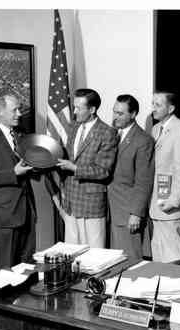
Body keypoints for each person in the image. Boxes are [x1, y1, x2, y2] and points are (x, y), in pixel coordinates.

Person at [0, 93, 36, 269]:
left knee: (26, 267)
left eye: (19, 109)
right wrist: (13, 173)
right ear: (0, 112)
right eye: (15, 110)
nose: (19, 114)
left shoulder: (21, 134)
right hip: (4, 216)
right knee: (4, 269)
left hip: (27, 212)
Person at [57, 88, 118, 248]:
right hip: (71, 202)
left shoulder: (107, 133)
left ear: (92, 109)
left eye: (78, 108)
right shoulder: (73, 127)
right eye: (74, 107)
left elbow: (103, 171)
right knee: (71, 252)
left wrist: (74, 168)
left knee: (94, 254)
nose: (74, 112)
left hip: (91, 205)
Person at [149, 91, 180, 262]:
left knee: (173, 257)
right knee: (158, 256)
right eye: (153, 104)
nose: (153, 108)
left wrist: (174, 200)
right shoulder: (155, 129)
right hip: (156, 202)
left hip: (170, 205)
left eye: (158, 105)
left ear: (171, 108)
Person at [108, 94, 154, 258]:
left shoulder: (143, 140)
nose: (115, 117)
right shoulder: (113, 134)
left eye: (120, 113)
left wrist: (136, 213)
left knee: (130, 260)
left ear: (133, 114)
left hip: (127, 211)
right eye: (114, 112)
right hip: (111, 209)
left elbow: (144, 180)